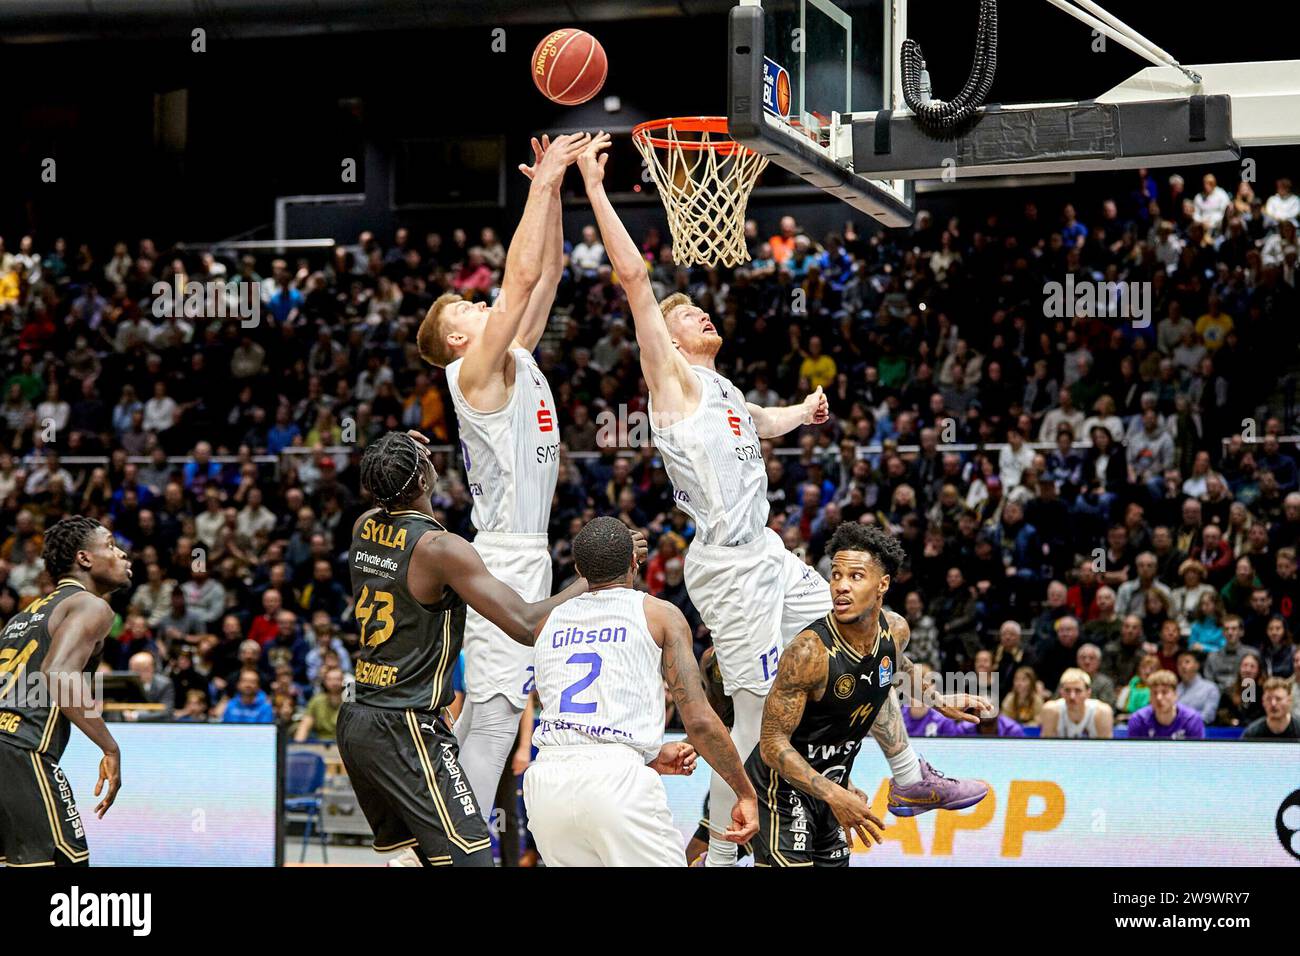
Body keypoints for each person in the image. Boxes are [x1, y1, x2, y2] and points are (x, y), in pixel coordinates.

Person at [578, 133, 834, 867]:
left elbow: (762, 421)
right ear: (671, 339)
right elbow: (633, 277)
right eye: (690, 317)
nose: (703, 320)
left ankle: (893, 774)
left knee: (844, 635)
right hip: (728, 564)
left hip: (767, 553)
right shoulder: (672, 383)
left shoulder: (720, 389)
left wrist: (802, 414)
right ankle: (726, 848)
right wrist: (596, 189)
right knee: (755, 714)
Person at [416, 133, 590, 822]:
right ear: (457, 340)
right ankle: (453, 847)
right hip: (504, 556)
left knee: (489, 713)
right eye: (466, 308)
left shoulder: (508, 351)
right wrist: (541, 184)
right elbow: (516, 283)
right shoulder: (473, 371)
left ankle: (426, 840)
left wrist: (554, 195)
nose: (479, 303)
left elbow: (542, 278)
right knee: (492, 716)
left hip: (523, 553)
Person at [337, 431, 591, 867]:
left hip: (358, 715)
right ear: (421, 480)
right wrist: (592, 580)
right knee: (473, 861)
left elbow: (389, 491)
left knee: (416, 861)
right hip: (406, 725)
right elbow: (527, 625)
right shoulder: (441, 550)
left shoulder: (365, 526)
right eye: (422, 457)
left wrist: (394, 450)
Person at [750, 523, 993, 867]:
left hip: (831, 783)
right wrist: (835, 793)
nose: (841, 587)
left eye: (855, 576)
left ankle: (910, 781)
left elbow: (895, 664)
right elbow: (772, 745)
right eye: (835, 575)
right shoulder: (808, 653)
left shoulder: (894, 630)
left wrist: (937, 700)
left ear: (882, 585)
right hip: (782, 786)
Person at [523, 518, 758, 866]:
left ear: (578, 570)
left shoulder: (545, 623)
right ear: (635, 562)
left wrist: (647, 754)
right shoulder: (659, 614)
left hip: (545, 784)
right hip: (617, 783)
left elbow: (570, 717)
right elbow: (698, 720)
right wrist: (744, 791)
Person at [0, 516, 129, 866]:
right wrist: (109, 746)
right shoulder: (91, 605)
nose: (123, 555)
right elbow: (58, 672)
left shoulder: (24, 616)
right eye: (112, 546)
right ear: (85, 559)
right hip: (23, 748)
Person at [1125, 669, 1206, 739]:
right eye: (1154, 693)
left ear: (1175, 695)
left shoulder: (1192, 719)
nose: (1159, 697)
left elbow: (1196, 755)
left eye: (1164, 692)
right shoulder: (1138, 720)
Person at [1039, 668, 1114, 738]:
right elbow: (1046, 748)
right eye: (1067, 690)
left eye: (1078, 691)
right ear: (1061, 692)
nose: (1072, 696)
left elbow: (1106, 749)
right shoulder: (1050, 710)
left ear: (1088, 693)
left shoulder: (1102, 711)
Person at [294, 666, 346, 742]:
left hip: (343, 745)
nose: (334, 683)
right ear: (324, 682)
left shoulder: (350, 702)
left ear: (343, 681)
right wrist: (297, 745)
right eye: (330, 679)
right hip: (320, 744)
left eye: (337, 679)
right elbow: (305, 726)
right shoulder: (316, 701)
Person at [1174, 649, 1220, 725]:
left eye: (1187, 662)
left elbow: (1208, 717)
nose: (1183, 666)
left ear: (1197, 665)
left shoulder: (1210, 688)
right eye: (1179, 663)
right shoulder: (1175, 689)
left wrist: (1182, 720)